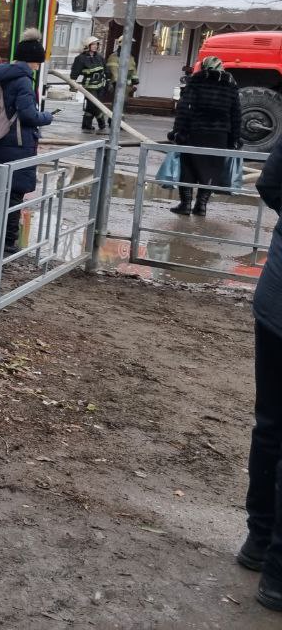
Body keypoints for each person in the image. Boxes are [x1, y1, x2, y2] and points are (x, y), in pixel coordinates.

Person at [241, 136, 282, 611]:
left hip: (278, 300)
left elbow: (271, 182)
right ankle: (279, 573)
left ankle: (259, 542)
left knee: (270, 424)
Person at [0, 29, 55, 255]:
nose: (38, 67)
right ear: (33, 60)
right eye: (37, 62)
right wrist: (47, 117)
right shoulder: (23, 81)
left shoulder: (2, 75)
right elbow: (28, 116)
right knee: (14, 195)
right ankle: (6, 243)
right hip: (17, 144)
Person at [168, 54, 241, 216]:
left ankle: (185, 204)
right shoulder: (230, 84)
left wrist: (178, 132)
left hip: (196, 132)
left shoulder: (196, 80)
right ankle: (201, 206)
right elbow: (236, 114)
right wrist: (235, 138)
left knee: (188, 168)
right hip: (220, 135)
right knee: (212, 170)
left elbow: (184, 109)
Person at [70, 36, 109, 131]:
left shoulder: (99, 57)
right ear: (88, 46)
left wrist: (108, 82)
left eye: (97, 44)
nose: (95, 46)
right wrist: (72, 86)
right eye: (93, 44)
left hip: (100, 85)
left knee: (92, 105)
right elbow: (74, 73)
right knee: (94, 104)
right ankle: (102, 123)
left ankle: (86, 125)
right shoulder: (80, 58)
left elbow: (106, 70)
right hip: (89, 85)